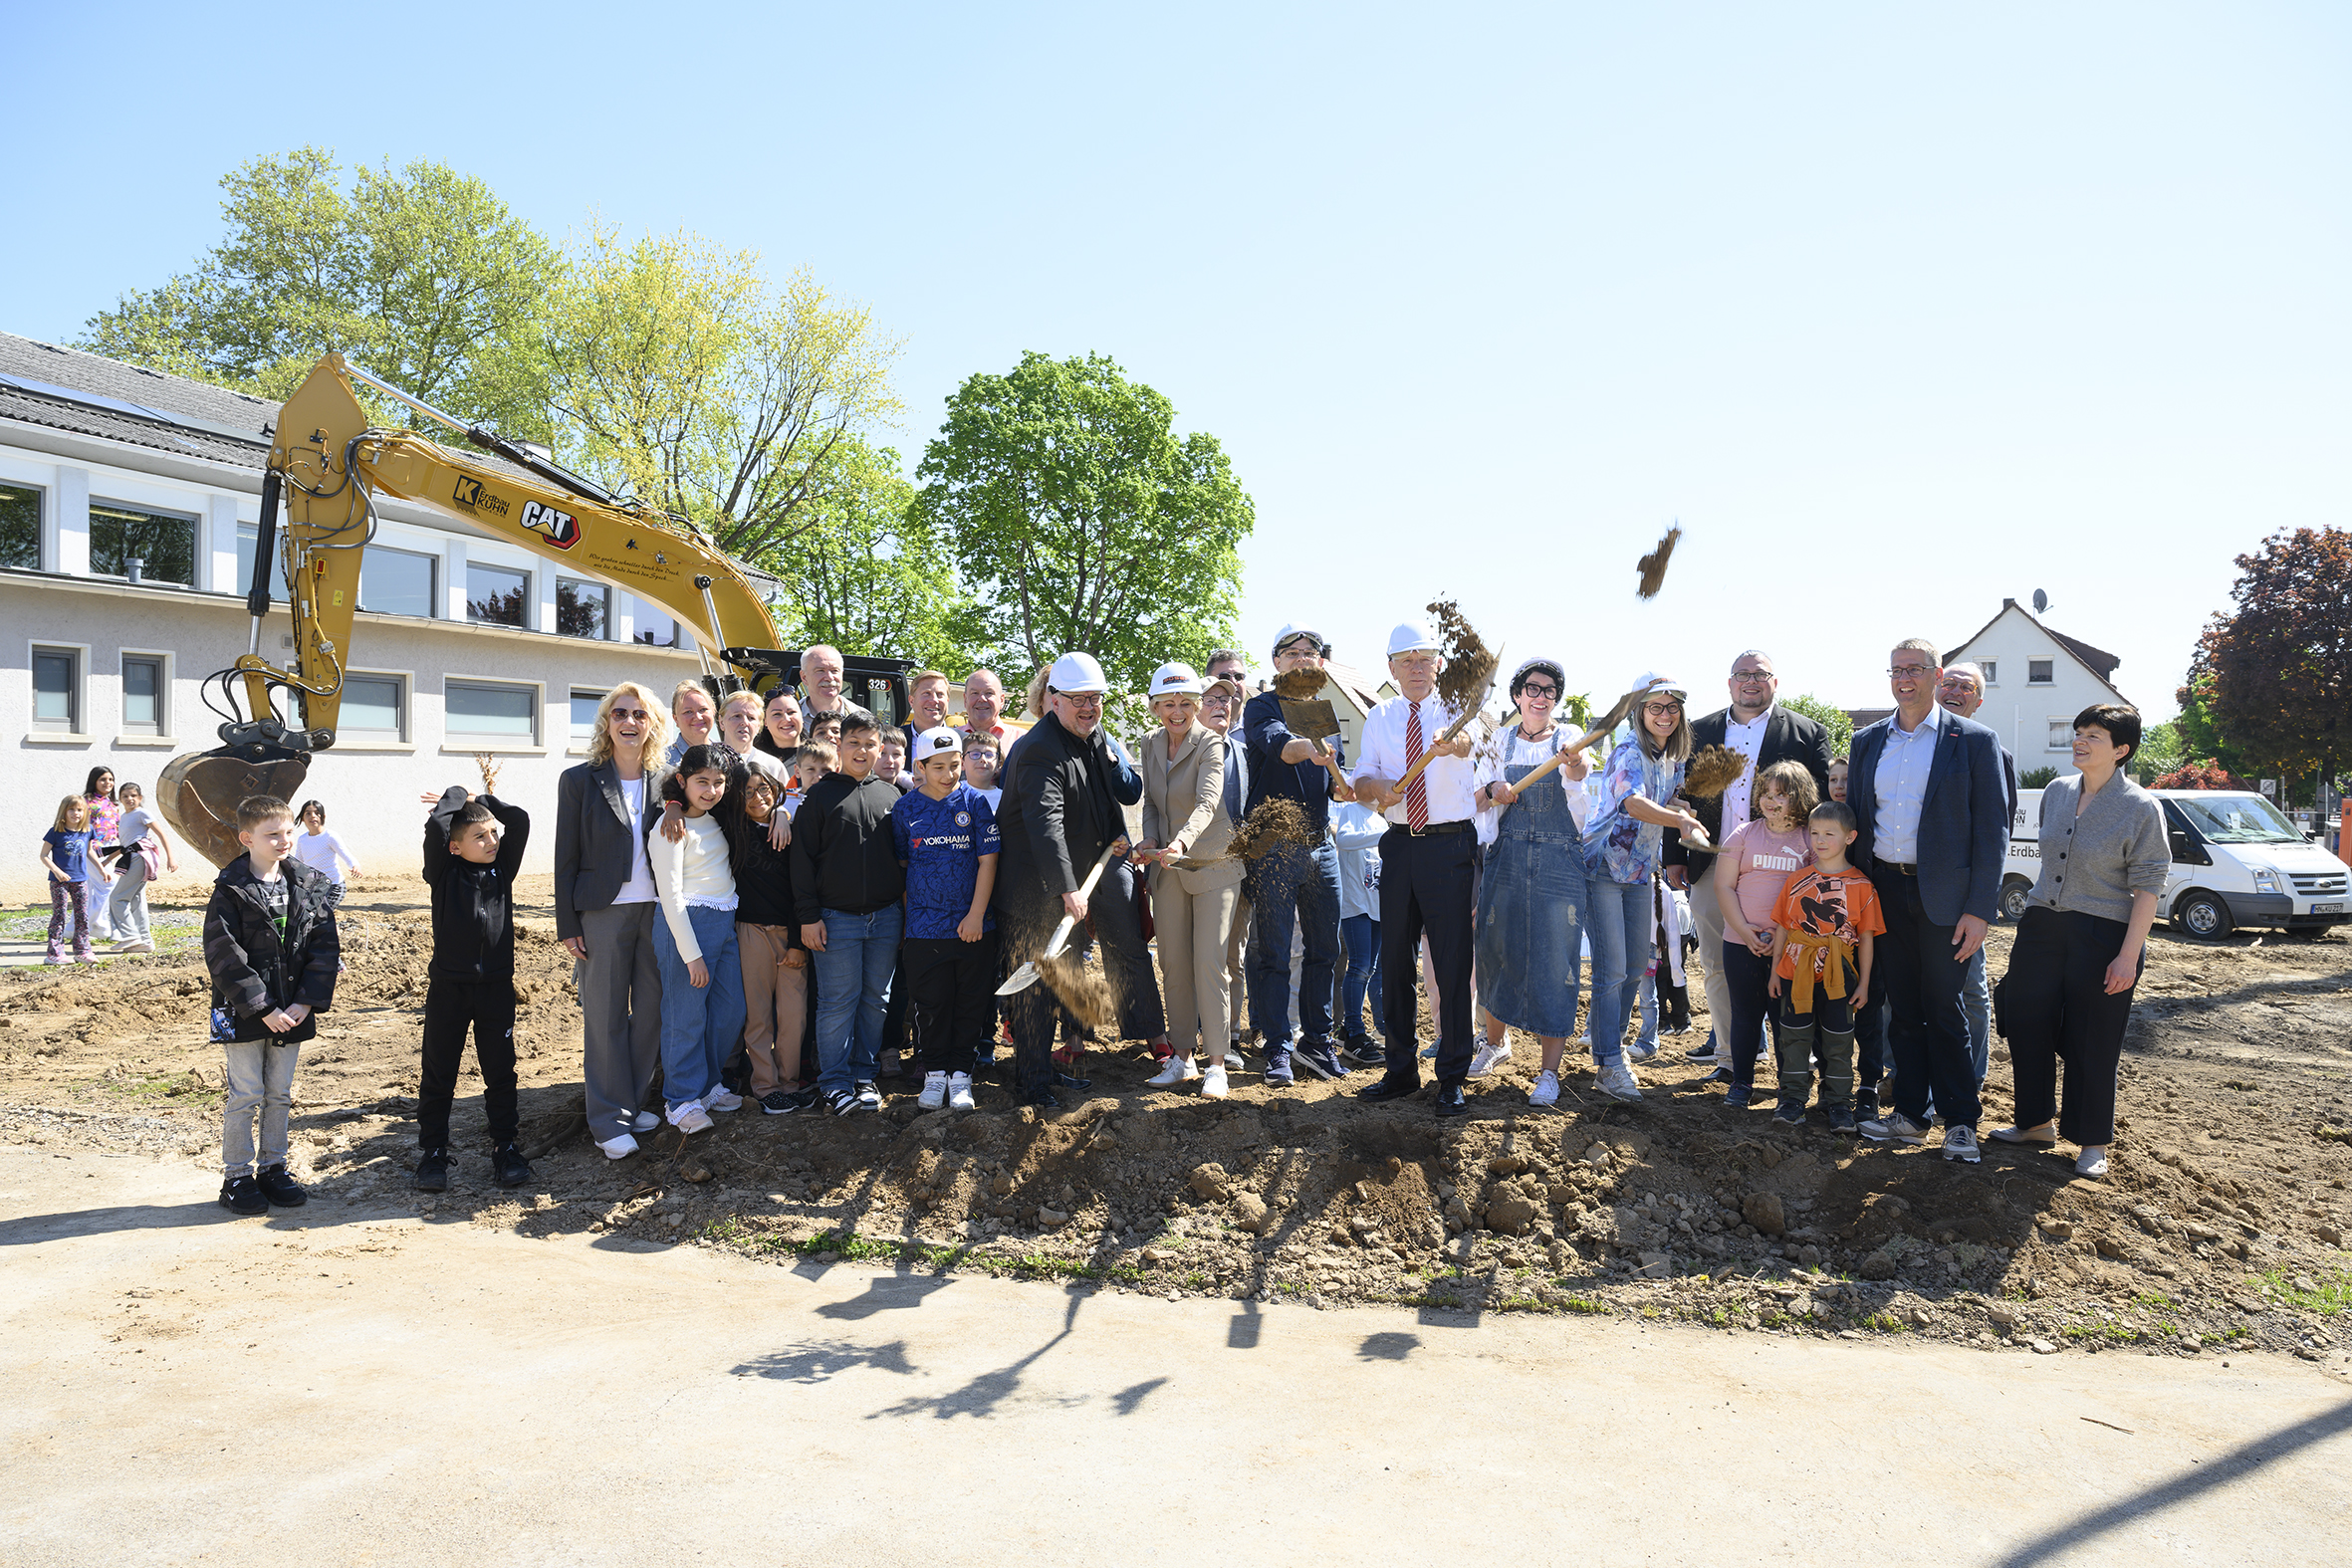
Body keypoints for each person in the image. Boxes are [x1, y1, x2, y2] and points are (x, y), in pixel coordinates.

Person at [1847, 639, 2010, 1163]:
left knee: (1945, 1008)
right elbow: (1856, 820)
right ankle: (1912, 1116)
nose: (1903, 679)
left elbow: (1993, 832)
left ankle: (1960, 1121)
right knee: (1904, 1010)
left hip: (1948, 899)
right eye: (1895, 670)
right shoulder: (1868, 741)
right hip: (1885, 892)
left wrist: (1981, 909)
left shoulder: (1975, 741)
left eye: (1914, 670)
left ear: (1936, 675)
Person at [1991, 706, 2169, 1179]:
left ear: (2121, 749)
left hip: (2103, 933)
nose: (2080, 742)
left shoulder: (2140, 807)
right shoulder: (2056, 791)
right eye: (2078, 733)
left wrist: (2128, 956)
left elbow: (2148, 885)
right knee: (2026, 1020)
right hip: (2041, 926)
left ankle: (2091, 1142)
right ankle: (2034, 1125)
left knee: (2093, 1036)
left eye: (2094, 736)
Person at [994, 652, 1149, 1109]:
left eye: (1096, 699)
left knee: (1056, 983)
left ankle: (1045, 1073)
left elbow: (1110, 796)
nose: (1089, 707)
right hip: (1032, 888)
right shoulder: (1040, 747)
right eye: (1078, 699)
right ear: (1053, 700)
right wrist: (1066, 887)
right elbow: (1046, 824)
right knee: (1036, 990)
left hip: (1071, 879)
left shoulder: (1091, 735)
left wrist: (1116, 835)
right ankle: (1032, 1082)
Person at [1664, 651, 1832, 1068]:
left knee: (1792, 962)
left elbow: (1826, 803)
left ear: (1775, 682)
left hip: (1787, 871)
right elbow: (1677, 797)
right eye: (1742, 675)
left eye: (1760, 674)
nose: (1750, 682)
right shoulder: (1697, 731)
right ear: (1729, 682)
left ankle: (1793, 1061)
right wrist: (1673, 855)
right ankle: (1729, 1057)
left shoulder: (1806, 733)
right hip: (1711, 866)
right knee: (1717, 964)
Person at [1350, 621, 1484, 1115]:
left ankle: (1452, 1075)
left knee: (1451, 965)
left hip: (1449, 848)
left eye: (1425, 658)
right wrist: (1375, 789)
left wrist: (1455, 743)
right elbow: (1362, 776)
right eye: (1406, 660)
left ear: (1439, 664)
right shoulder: (1379, 717)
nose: (1416, 668)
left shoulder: (1459, 711)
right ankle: (1401, 1070)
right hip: (1399, 845)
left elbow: (1471, 743)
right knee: (1396, 963)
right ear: (1391, 667)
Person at [553, 685, 675, 1161]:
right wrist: (568, 922)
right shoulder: (579, 780)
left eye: (639, 714)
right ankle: (607, 1120)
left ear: (652, 724)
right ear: (606, 722)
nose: (629, 721)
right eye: (619, 713)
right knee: (604, 1016)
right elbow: (565, 857)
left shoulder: (666, 779)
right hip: (601, 911)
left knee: (650, 1012)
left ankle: (631, 1101)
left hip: (656, 910)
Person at [202, 794, 339, 1216]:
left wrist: (306, 1002)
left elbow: (324, 947)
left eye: (288, 831)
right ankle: (237, 1176)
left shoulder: (311, 884)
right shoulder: (230, 890)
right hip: (244, 1011)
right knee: (246, 1094)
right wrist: (262, 1007)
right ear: (247, 838)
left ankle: (273, 1168)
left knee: (279, 1093)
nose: (284, 840)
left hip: (292, 1010)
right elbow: (223, 954)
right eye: (272, 834)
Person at [1469, 657, 1593, 1108]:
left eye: (1549, 692)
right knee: (1496, 949)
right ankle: (1494, 1043)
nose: (1541, 698)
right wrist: (1491, 793)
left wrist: (1574, 766)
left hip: (1560, 862)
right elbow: (1472, 801)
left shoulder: (1570, 741)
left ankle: (1548, 1073)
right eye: (1533, 689)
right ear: (1518, 695)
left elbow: (1580, 796)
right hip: (1507, 858)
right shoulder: (1494, 743)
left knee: (1554, 958)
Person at [1579, 675, 1706, 1102]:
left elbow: (1656, 802)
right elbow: (1632, 802)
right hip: (1602, 868)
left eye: (1672, 708)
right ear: (1640, 712)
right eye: (1656, 707)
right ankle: (1610, 1062)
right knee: (1612, 968)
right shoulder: (1629, 751)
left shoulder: (1672, 759)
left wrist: (1677, 807)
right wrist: (1682, 822)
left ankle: (1608, 1054)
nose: (1665, 715)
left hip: (1637, 872)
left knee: (1636, 966)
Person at [1242, 624, 1354, 1084]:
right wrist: (1316, 749)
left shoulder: (1324, 712)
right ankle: (1277, 1047)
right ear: (1276, 662)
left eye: (1310, 653)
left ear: (1321, 664)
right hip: (1272, 843)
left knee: (1325, 948)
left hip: (1320, 843)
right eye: (1291, 652)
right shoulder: (1262, 706)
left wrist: (1341, 778)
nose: (1301, 659)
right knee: (1271, 950)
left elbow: (1338, 782)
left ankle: (1316, 1041)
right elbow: (1283, 749)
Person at [413, 783, 533, 1191]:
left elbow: (518, 820)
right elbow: (436, 827)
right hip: (449, 988)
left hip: (496, 987)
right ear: (455, 847)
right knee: (439, 1072)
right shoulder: (443, 874)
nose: (492, 841)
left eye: (492, 834)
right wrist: (457, 794)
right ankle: (432, 1154)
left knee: (501, 1072)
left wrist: (482, 802)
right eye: (480, 837)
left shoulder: (503, 870)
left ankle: (506, 1148)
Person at [1135, 664, 1243, 1097]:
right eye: (1167, 704)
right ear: (1155, 707)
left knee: (1209, 962)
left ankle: (1217, 1063)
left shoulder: (1211, 743)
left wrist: (1180, 841)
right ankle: (1182, 1058)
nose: (1176, 712)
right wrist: (1149, 836)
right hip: (1166, 867)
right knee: (1174, 964)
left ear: (1197, 706)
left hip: (1212, 862)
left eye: (1184, 704)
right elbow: (1151, 803)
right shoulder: (1150, 743)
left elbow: (1207, 801)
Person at [791, 710, 904, 1115]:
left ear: (880, 749)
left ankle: (863, 1075)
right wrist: (808, 916)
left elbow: (905, 859)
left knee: (876, 1000)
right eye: (853, 742)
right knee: (838, 1002)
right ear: (839, 746)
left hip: (886, 917)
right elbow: (801, 862)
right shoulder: (819, 797)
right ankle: (835, 1083)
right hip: (834, 919)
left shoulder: (892, 797)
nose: (862, 750)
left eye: (870, 744)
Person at [893, 727, 1001, 1111]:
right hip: (924, 930)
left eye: (954, 765)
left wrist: (975, 915)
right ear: (919, 766)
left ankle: (961, 1077)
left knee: (970, 1004)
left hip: (973, 929)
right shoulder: (905, 809)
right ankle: (935, 1075)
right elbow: (903, 866)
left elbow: (988, 862)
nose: (948, 774)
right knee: (932, 1005)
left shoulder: (975, 804)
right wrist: (911, 921)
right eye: (938, 767)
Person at [648, 744, 748, 1134]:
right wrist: (690, 955)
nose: (710, 790)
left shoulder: (715, 816)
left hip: (723, 922)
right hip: (685, 926)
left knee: (729, 1011)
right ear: (682, 782)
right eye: (701, 782)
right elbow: (670, 897)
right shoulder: (668, 826)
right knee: (685, 1016)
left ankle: (707, 1086)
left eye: (718, 782)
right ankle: (680, 1099)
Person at [1766, 800, 1885, 1131]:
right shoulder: (1796, 880)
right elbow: (1782, 928)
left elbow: (1867, 937)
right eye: (1815, 832)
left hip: (1840, 976)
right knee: (1794, 1038)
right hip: (1794, 971)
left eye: (1829, 833)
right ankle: (1791, 1099)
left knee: (1838, 1041)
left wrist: (1862, 984)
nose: (1820, 840)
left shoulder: (1862, 886)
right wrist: (1775, 970)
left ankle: (1839, 1104)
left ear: (1850, 837)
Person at [1712, 761, 1817, 1108]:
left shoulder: (1809, 839)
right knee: (1745, 1013)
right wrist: (1745, 930)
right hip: (1741, 943)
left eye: (1782, 795)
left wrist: (1786, 937)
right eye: (1766, 794)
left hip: (1792, 948)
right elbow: (1724, 886)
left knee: (1786, 1017)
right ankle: (1742, 1082)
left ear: (1800, 797)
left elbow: (1818, 890)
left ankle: (1791, 1088)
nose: (1771, 801)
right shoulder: (1742, 835)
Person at [1935, 661, 2019, 1088]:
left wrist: (1980, 904)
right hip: (1908, 895)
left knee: (1970, 991)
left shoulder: (1992, 751)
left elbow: (1995, 834)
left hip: (1961, 901)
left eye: (1964, 687)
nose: (1953, 690)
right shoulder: (1910, 745)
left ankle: (1972, 1077)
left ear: (1978, 701)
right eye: (1948, 682)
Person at [723, 767, 812, 1114]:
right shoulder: (732, 830)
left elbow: (800, 889)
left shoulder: (791, 831)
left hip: (790, 936)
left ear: (776, 789)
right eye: (747, 791)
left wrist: (797, 942)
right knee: (759, 1016)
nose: (757, 797)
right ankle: (765, 1086)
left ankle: (789, 1084)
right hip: (750, 931)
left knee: (794, 1015)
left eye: (764, 789)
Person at [1200, 673, 1253, 1060]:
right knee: (1191, 957)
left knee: (1230, 955)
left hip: (1234, 870)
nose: (1222, 706)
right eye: (1212, 699)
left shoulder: (1241, 752)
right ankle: (1191, 1035)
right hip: (1188, 868)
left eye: (1228, 700)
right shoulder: (1175, 750)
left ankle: (1229, 1037)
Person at [1331, 795, 1387, 1065]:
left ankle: (1346, 1032)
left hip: (1377, 905)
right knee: (1359, 967)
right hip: (1355, 905)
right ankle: (1354, 1030)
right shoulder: (1352, 812)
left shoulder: (1381, 819)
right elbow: (1344, 841)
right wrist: (1386, 833)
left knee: (1370, 968)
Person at [102, 782, 177, 954]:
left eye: (133, 796)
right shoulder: (124, 817)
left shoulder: (142, 813)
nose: (129, 799)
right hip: (132, 857)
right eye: (125, 796)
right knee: (136, 901)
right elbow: (125, 846)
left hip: (140, 858)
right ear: (120, 799)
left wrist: (171, 858)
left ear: (140, 798)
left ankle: (129, 937)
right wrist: (107, 861)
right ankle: (145, 941)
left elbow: (161, 834)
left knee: (117, 898)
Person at [41, 794, 111, 965]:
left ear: (84, 812)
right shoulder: (55, 832)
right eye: (71, 809)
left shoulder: (87, 831)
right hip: (60, 882)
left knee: (82, 915)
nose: (75, 813)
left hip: (80, 880)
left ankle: (83, 950)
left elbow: (89, 852)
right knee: (59, 915)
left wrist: (102, 869)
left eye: (79, 810)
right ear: (63, 812)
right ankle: (54, 953)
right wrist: (56, 871)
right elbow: (43, 855)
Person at [293, 800, 357, 907]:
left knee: (322, 915)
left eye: (317, 813)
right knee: (311, 917)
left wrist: (354, 866)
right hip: (314, 887)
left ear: (323, 816)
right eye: (308, 813)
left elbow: (346, 854)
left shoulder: (330, 836)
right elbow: (297, 863)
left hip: (334, 886)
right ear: (303, 818)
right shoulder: (302, 839)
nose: (312, 816)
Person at [666, 680, 717, 767]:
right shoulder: (664, 762)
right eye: (688, 712)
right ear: (676, 719)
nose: (698, 717)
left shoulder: (727, 756)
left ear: (713, 712)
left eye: (703, 709)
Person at [800, 644, 849, 723]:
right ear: (804, 677)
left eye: (834, 671)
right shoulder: (789, 721)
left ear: (842, 675)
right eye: (820, 671)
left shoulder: (862, 718)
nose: (829, 678)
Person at [755, 688, 805, 768]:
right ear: (765, 722)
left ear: (801, 716)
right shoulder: (756, 760)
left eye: (791, 712)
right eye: (777, 714)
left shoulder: (818, 754)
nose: (786, 719)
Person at [961, 668, 1009, 744]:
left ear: (1001, 700)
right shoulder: (949, 739)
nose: (982, 699)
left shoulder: (1021, 741)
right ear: (965, 700)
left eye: (989, 693)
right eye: (975, 693)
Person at [962, 733, 1004, 809]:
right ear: (962, 763)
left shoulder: (1004, 799)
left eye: (989, 755)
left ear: (998, 765)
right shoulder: (951, 793)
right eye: (975, 754)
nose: (983, 759)